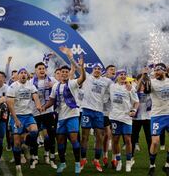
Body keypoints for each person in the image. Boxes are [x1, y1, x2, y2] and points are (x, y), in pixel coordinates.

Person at [43, 46, 86, 176]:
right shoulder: (56, 86)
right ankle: (62, 162)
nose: (64, 74)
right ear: (60, 74)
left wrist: (82, 67)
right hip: (61, 117)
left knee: (73, 139)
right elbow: (51, 100)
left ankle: (77, 163)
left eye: (66, 72)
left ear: (68, 74)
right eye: (62, 72)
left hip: (73, 115)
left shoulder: (72, 83)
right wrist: (44, 107)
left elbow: (83, 78)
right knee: (60, 140)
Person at [7, 67, 43, 176]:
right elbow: (10, 105)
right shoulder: (13, 87)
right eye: (21, 73)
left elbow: (35, 97)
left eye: (25, 73)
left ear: (27, 76)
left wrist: (38, 105)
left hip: (28, 115)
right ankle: (18, 167)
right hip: (16, 115)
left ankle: (27, 145)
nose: (23, 74)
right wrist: (16, 120)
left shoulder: (31, 86)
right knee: (17, 142)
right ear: (18, 76)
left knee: (35, 131)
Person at [79, 63, 112, 172]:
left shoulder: (106, 81)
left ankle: (96, 160)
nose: (97, 70)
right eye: (95, 68)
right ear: (92, 70)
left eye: (99, 69)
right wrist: (71, 58)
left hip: (99, 112)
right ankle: (83, 159)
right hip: (87, 110)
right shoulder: (87, 77)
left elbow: (115, 87)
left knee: (99, 136)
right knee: (84, 137)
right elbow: (79, 68)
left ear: (101, 70)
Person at [139, 64, 169, 176]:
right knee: (155, 142)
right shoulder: (152, 82)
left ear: (164, 71)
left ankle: (167, 165)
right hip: (157, 115)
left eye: (158, 70)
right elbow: (146, 91)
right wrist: (145, 77)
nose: (156, 72)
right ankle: (152, 166)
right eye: (155, 70)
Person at [109, 69, 139, 172]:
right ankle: (119, 161)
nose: (123, 76)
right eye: (121, 74)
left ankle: (128, 162)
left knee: (127, 140)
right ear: (117, 76)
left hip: (126, 118)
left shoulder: (130, 87)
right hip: (115, 117)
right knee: (115, 140)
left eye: (124, 75)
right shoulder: (111, 86)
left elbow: (136, 102)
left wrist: (134, 110)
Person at [30, 62, 58, 169]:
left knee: (50, 136)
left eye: (43, 68)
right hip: (35, 112)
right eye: (39, 68)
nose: (42, 70)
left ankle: (50, 157)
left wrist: (54, 86)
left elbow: (60, 88)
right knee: (34, 136)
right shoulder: (31, 82)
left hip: (48, 111)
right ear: (36, 70)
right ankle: (34, 158)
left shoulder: (52, 80)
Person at [131, 74, 152, 162]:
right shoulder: (134, 92)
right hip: (137, 118)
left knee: (149, 139)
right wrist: (142, 76)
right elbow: (135, 88)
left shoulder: (150, 92)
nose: (142, 84)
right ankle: (131, 157)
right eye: (141, 82)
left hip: (147, 118)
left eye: (144, 82)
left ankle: (152, 157)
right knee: (133, 138)